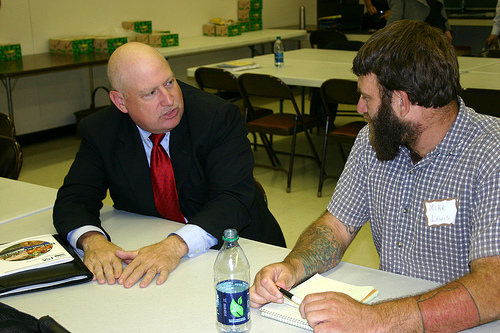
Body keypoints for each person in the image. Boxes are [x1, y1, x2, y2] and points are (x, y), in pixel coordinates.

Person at [250, 20, 500, 332]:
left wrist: (375, 319)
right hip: (395, 312)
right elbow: (336, 227)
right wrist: (292, 267)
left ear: (403, 102)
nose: (359, 108)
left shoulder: (491, 153)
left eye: (367, 98)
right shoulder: (375, 141)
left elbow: (494, 288)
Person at [53, 42, 285, 289]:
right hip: (150, 254)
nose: (169, 100)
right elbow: (75, 197)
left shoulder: (216, 117)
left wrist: (174, 246)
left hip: (241, 254)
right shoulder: (101, 130)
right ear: (120, 102)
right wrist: (92, 240)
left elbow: (233, 198)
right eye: (150, 93)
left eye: (169, 83)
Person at [386, 0, 453, 42]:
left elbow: (440, 7)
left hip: (438, 31)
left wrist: (446, 28)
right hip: (415, 34)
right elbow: (396, 13)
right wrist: (386, 35)